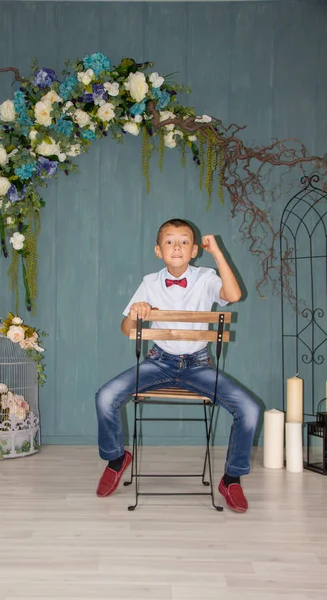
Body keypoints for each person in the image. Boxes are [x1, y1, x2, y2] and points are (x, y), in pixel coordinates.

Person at [95, 218, 260, 512]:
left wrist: (218, 252)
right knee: (105, 396)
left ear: (194, 250)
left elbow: (233, 295)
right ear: (158, 250)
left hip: (199, 367)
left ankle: (231, 479)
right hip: (158, 363)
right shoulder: (149, 283)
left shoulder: (207, 277)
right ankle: (117, 458)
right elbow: (125, 329)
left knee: (249, 409)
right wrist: (137, 311)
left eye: (184, 241)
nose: (176, 247)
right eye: (169, 241)